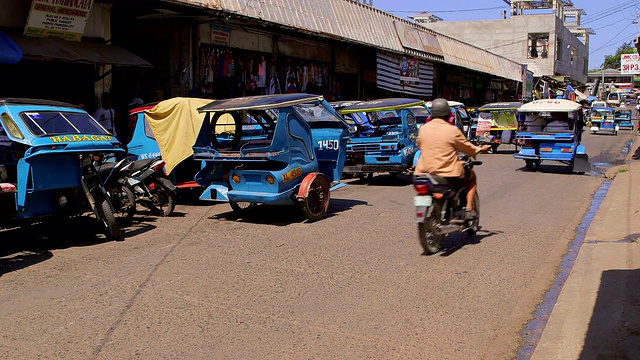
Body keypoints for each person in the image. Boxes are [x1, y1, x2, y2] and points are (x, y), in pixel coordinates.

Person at [414, 98, 490, 219]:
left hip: (422, 174)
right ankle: (469, 208)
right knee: (471, 176)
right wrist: (480, 149)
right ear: (447, 114)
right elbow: (468, 148)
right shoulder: (452, 130)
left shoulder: (423, 129)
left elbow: (419, 144)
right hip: (447, 175)